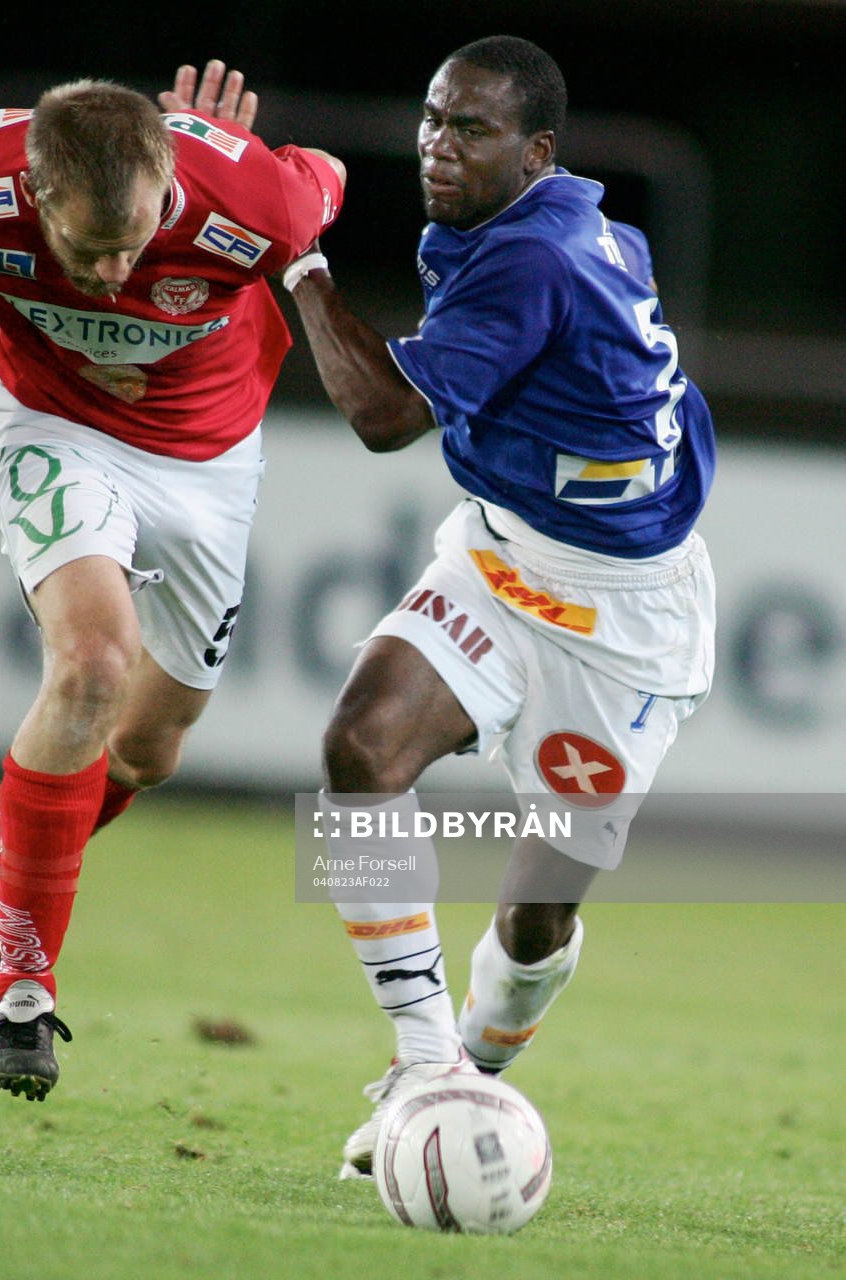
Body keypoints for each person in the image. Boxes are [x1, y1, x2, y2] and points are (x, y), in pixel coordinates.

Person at [171, 33, 717, 1179]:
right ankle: (424, 1065)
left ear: (536, 151)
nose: (436, 146)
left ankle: (473, 1059)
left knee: (532, 921)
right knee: (360, 748)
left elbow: (379, 415)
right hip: (502, 554)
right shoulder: (541, 222)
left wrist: (299, 260)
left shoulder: (539, 257)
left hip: (620, 620)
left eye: (469, 130)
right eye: (431, 118)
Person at [0, 61, 345, 1100]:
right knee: (91, 666)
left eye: (129, 246)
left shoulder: (254, 201)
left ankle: (3, 839)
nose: (110, 274)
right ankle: (21, 994)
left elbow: (326, 176)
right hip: (54, 424)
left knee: (152, 744)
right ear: (32, 191)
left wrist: (226, 161)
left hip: (209, 459)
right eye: (81, 248)